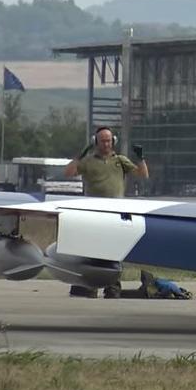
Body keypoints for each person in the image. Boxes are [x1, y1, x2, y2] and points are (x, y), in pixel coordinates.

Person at [64, 126, 149, 298]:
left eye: (109, 140)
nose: (106, 144)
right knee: (91, 249)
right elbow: (69, 172)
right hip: (93, 211)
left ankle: (113, 287)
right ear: (96, 142)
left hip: (115, 212)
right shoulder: (88, 161)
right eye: (102, 140)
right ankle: (90, 286)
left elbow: (142, 174)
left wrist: (140, 158)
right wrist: (79, 156)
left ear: (113, 141)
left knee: (114, 250)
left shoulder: (120, 160)